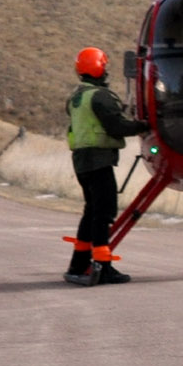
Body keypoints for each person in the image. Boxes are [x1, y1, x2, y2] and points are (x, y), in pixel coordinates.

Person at [63, 47, 149, 286]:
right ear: (98, 67)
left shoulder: (76, 98)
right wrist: (144, 126)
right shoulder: (99, 96)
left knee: (91, 211)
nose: (107, 70)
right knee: (104, 213)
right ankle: (103, 266)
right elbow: (116, 126)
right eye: (104, 65)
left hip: (81, 161)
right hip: (98, 160)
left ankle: (78, 264)